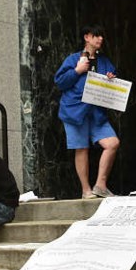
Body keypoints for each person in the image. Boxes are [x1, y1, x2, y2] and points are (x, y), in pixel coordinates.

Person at [54, 24, 121, 199]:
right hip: (75, 112)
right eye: (96, 35)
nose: (100, 39)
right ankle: (86, 190)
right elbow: (60, 82)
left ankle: (100, 185)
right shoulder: (73, 59)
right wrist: (77, 70)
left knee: (112, 143)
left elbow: (113, 82)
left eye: (101, 36)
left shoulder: (104, 61)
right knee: (81, 148)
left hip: (96, 112)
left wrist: (110, 80)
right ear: (87, 37)